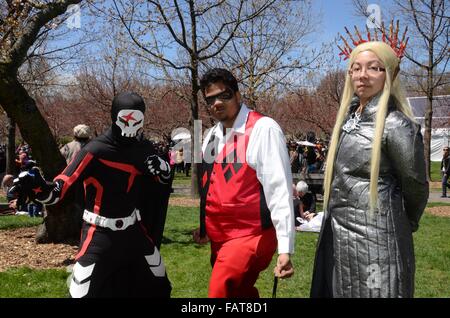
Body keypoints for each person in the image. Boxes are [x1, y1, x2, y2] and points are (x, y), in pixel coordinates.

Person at [10, 92, 172, 298]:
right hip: (99, 234)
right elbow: (61, 187)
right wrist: (38, 189)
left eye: (137, 120)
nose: (130, 127)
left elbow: (159, 184)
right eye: (125, 119)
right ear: (115, 116)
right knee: (80, 293)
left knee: (159, 286)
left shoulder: (144, 148)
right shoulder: (95, 150)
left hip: (133, 232)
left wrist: (164, 169)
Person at [310, 30, 429, 298]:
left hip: (378, 242)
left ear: (391, 74)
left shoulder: (396, 125)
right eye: (356, 68)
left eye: (374, 68)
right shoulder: (348, 120)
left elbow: (416, 187)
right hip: (338, 239)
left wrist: (399, 222)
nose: (363, 75)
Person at [193, 68, 295, 298]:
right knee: (240, 295)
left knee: (220, 293)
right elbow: (210, 185)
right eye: (210, 99)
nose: (217, 102)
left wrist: (285, 247)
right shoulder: (210, 136)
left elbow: (279, 189)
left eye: (224, 95)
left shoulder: (263, 128)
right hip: (219, 239)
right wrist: (204, 226)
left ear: (238, 95)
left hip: (251, 235)